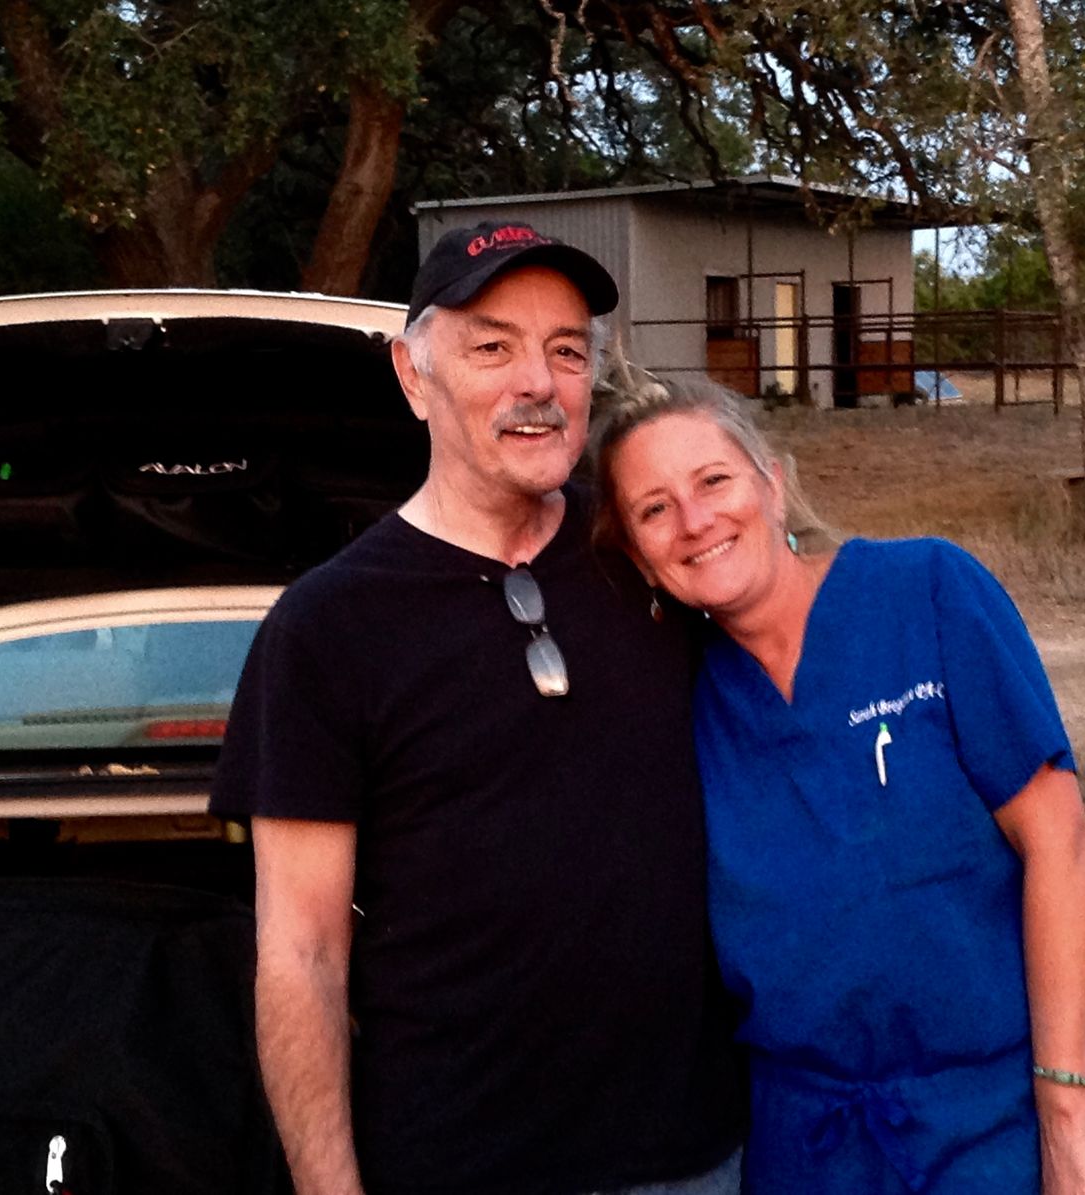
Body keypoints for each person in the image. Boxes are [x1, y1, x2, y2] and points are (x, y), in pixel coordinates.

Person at [210, 222, 745, 1195]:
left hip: (695, 1155)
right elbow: (301, 950)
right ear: (412, 375)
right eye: (492, 347)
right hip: (457, 1160)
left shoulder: (648, 551)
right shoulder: (327, 628)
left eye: (567, 351)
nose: (538, 383)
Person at [591, 369, 1085, 1195]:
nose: (694, 520)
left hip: (987, 1122)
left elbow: (1061, 844)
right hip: (802, 1142)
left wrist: (1064, 1118)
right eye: (654, 509)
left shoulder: (928, 591)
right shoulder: (680, 700)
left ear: (772, 485)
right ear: (641, 558)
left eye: (714, 480)